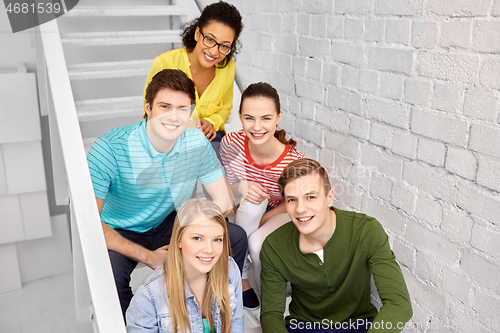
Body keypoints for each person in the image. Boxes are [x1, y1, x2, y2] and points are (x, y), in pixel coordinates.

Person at [87, 69, 247, 317]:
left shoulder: (195, 141)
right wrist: (152, 257)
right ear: (148, 107)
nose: (174, 117)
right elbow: (91, 225)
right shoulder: (108, 149)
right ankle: (143, 323)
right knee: (110, 278)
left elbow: (224, 201)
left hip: (168, 221)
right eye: (165, 106)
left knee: (234, 236)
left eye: (182, 109)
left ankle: (209, 309)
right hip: (118, 228)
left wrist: (189, 241)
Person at [260, 158, 413, 332]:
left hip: (358, 325)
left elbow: (399, 303)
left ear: (329, 197)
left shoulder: (366, 231)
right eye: (292, 200)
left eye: (310, 197)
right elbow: (271, 314)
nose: (300, 209)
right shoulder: (274, 246)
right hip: (304, 326)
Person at [220, 82, 304, 310]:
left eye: (266, 118)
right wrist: (242, 187)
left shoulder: (292, 162)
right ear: (239, 116)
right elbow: (229, 183)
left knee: (257, 244)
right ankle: (242, 278)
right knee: (250, 203)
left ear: (278, 117)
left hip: (283, 210)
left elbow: (295, 201)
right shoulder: (231, 143)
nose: (257, 127)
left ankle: (269, 300)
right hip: (251, 209)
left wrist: (266, 219)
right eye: (249, 118)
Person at [126, 198, 243, 333]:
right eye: (197, 238)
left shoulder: (229, 268)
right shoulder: (148, 297)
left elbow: (236, 322)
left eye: (217, 239)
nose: (209, 249)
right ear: (179, 239)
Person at [144, 1, 243, 158]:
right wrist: (187, 125)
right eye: (210, 39)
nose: (214, 51)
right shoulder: (165, 63)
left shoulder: (228, 67)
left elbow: (224, 108)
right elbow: (149, 111)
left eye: (224, 46)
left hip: (209, 136)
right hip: (170, 134)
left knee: (225, 169)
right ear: (198, 34)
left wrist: (213, 122)